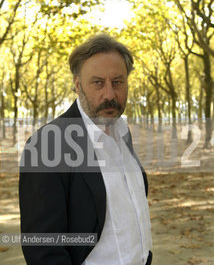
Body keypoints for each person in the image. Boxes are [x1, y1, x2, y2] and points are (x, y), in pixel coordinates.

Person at [19, 33, 153, 265]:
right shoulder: (49, 144)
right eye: (98, 83)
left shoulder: (121, 131)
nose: (110, 94)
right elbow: (42, 247)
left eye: (118, 82)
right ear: (78, 85)